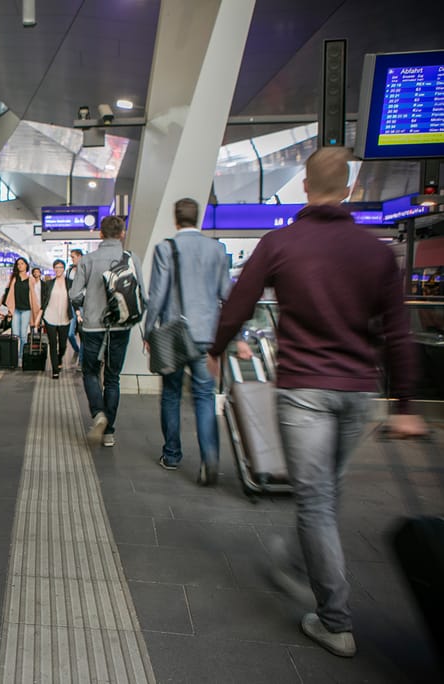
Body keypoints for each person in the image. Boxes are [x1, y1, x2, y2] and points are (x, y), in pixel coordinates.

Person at [208, 147, 427, 658]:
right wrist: (408, 406)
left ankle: (335, 619)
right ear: (349, 190)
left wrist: (217, 350)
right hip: (358, 393)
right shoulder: (376, 253)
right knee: (325, 493)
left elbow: (239, 303)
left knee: (317, 501)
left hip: (304, 390)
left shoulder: (281, 242)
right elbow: (398, 334)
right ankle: (300, 559)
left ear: (304, 187)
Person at [143, 198, 231, 484]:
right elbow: (226, 294)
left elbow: (157, 296)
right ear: (199, 217)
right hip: (207, 335)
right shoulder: (217, 249)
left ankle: (172, 455)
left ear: (175, 218)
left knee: (171, 394)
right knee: (205, 396)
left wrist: (148, 330)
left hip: (175, 335)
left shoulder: (166, 249)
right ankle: (209, 459)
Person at [69, 216, 140, 447]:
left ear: (100, 234)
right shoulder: (131, 259)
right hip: (121, 326)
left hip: (92, 325)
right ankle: (109, 432)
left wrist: (88, 302)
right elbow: (142, 296)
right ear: (122, 233)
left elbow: (74, 294)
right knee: (112, 378)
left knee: (90, 372)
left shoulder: (87, 260)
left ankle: (98, 413)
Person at [2, 257, 41, 358]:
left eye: (22, 263)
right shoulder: (14, 278)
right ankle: (14, 356)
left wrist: (37, 311)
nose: (20, 265)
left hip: (26, 309)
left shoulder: (31, 279)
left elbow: (34, 295)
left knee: (23, 334)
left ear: (26, 266)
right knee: (15, 334)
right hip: (16, 309)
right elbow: (8, 292)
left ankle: (21, 356)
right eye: (18, 264)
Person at [40, 259, 72, 379]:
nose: (58, 269)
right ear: (54, 269)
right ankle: (55, 370)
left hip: (65, 318)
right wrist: (40, 316)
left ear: (64, 269)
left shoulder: (70, 283)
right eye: (56, 267)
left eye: (60, 267)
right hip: (50, 317)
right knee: (52, 344)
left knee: (63, 345)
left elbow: (74, 298)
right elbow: (44, 300)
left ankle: (59, 359)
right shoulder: (48, 284)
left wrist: (78, 312)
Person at [64, 249, 83, 370]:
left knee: (82, 334)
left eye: (73, 257)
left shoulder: (85, 269)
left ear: (80, 256)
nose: (72, 259)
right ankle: (77, 350)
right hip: (71, 304)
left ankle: (81, 361)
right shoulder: (70, 270)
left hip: (82, 304)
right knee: (70, 333)